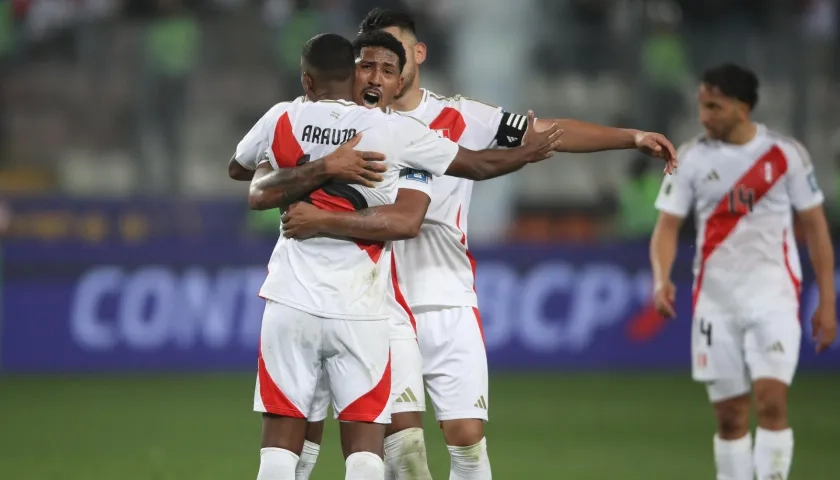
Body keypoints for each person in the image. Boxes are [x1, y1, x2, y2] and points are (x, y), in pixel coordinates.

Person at [288, 9, 675, 480]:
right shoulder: (349, 121)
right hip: (378, 300)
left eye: (395, 51)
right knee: (403, 448)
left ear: (418, 53)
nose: (382, 63)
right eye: (371, 57)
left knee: (467, 441)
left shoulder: (458, 116)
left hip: (447, 293)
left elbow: (546, 132)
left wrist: (631, 137)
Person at [231, 32, 562, 480]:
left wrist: (305, 167)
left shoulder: (281, 118)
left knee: (281, 446)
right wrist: (528, 152)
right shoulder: (394, 130)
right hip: (362, 308)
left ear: (307, 80)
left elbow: (241, 170)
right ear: (353, 73)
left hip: (289, 299)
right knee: (366, 448)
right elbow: (479, 166)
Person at [650, 63, 838, 480]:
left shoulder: (785, 155)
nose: (704, 116)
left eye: (713, 106)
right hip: (716, 304)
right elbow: (666, 227)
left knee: (772, 403)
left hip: (774, 298)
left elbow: (816, 229)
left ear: (741, 107)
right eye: (701, 105)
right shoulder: (691, 159)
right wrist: (661, 278)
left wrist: (827, 301)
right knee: (731, 418)